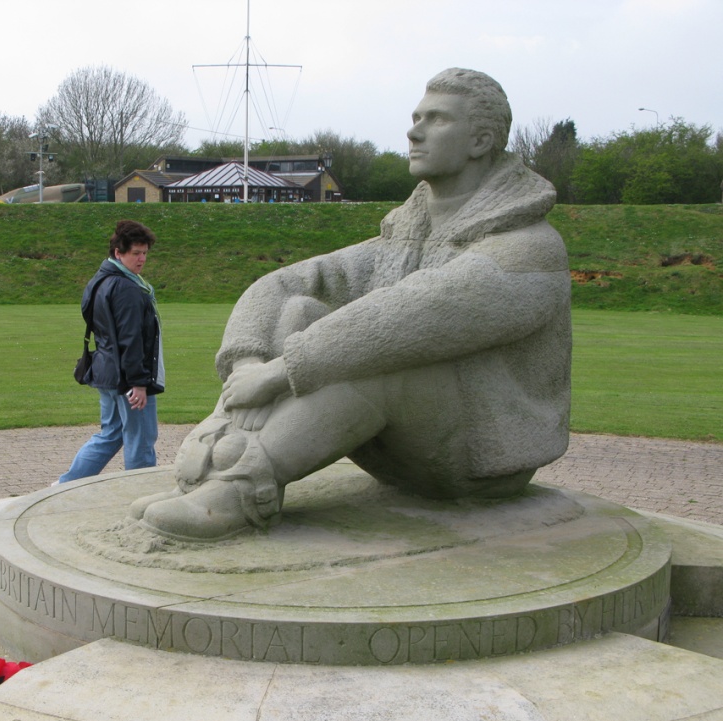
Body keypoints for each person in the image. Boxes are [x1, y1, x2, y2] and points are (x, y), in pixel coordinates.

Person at [130, 68, 571, 541]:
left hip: (476, 462)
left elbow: (416, 313)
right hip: (405, 451)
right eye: (416, 116)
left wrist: (281, 373)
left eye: (435, 120)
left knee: (384, 352)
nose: (413, 131)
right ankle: (209, 476)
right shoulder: (405, 234)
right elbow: (285, 283)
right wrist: (248, 361)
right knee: (300, 310)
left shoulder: (529, 249)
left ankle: (240, 489)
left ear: (481, 141)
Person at [58, 220, 164, 484]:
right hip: (127, 378)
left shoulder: (99, 280)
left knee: (111, 434)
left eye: (145, 253)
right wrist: (138, 383)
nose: (142, 259)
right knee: (140, 439)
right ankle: (141, 493)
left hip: (106, 371)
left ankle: (65, 484)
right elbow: (130, 339)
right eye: (135, 253)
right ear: (119, 252)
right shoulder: (127, 288)